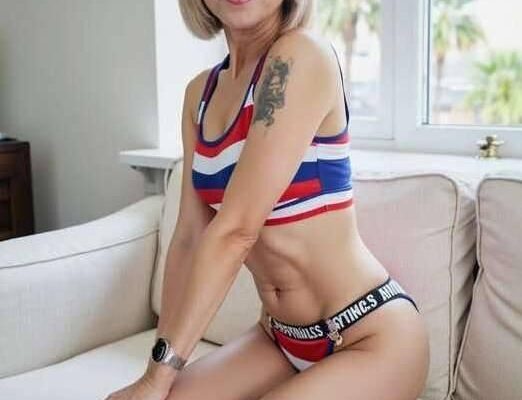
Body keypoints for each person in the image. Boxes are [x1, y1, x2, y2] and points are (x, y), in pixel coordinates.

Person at [105, 0, 430, 399]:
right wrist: (155, 374)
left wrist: (155, 381)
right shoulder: (199, 95)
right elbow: (189, 239)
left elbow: (236, 231)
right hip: (278, 339)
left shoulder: (301, 56)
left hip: (368, 337)